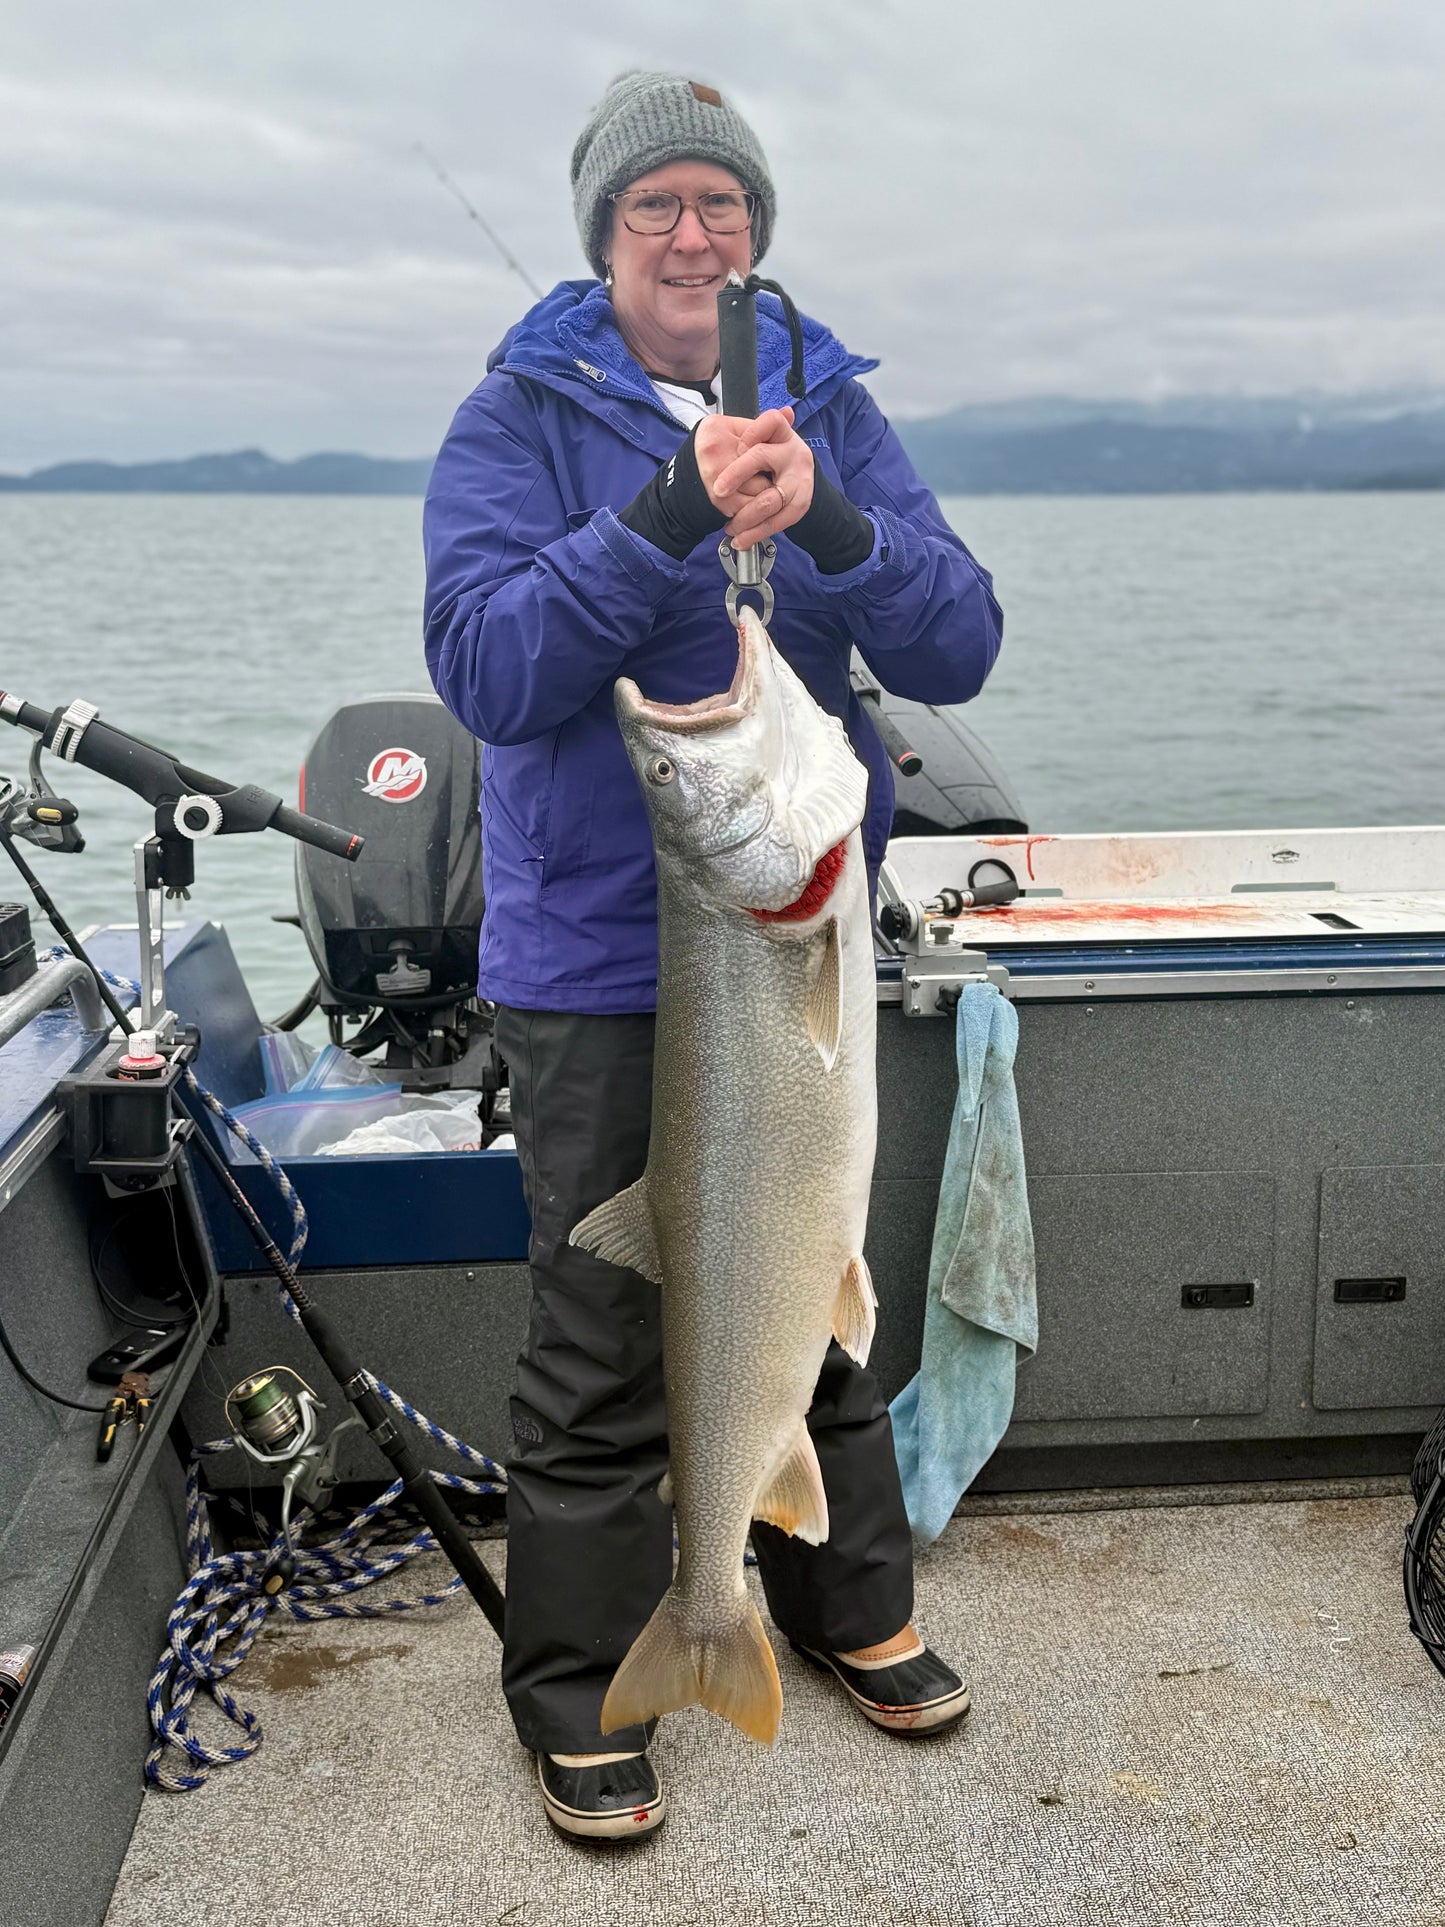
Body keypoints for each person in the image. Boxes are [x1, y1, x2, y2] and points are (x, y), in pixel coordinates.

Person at [424, 70, 1003, 1843]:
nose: (693, 234)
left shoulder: (829, 397)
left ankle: (839, 1606)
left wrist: (828, 520)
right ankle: (596, 1672)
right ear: (604, 236)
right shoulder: (513, 417)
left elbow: (959, 640)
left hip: (786, 918)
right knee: (607, 1330)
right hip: (600, 951)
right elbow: (491, 671)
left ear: (755, 231)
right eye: (655, 207)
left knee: (817, 1293)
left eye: (720, 205)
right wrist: (667, 515)